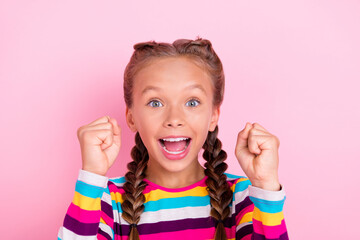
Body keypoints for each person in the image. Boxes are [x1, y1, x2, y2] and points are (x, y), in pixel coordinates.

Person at [57, 37, 289, 240]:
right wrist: (91, 176)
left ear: (213, 115)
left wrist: (266, 185)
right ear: (131, 117)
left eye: (192, 102)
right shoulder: (109, 202)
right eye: (155, 103)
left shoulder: (242, 198)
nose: (174, 118)